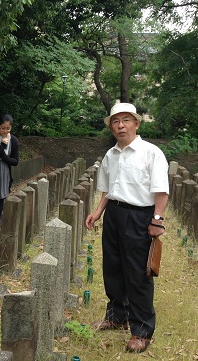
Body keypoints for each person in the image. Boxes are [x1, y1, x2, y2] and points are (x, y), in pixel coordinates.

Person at [85, 102, 168, 353]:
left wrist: (157, 219)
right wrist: (99, 211)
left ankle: (142, 330)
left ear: (136, 123)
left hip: (140, 216)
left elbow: (161, 190)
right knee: (113, 267)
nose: (121, 126)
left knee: (138, 273)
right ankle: (117, 315)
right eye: (116, 122)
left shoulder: (151, 152)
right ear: (111, 127)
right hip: (114, 214)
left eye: (126, 120)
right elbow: (108, 189)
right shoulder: (111, 154)